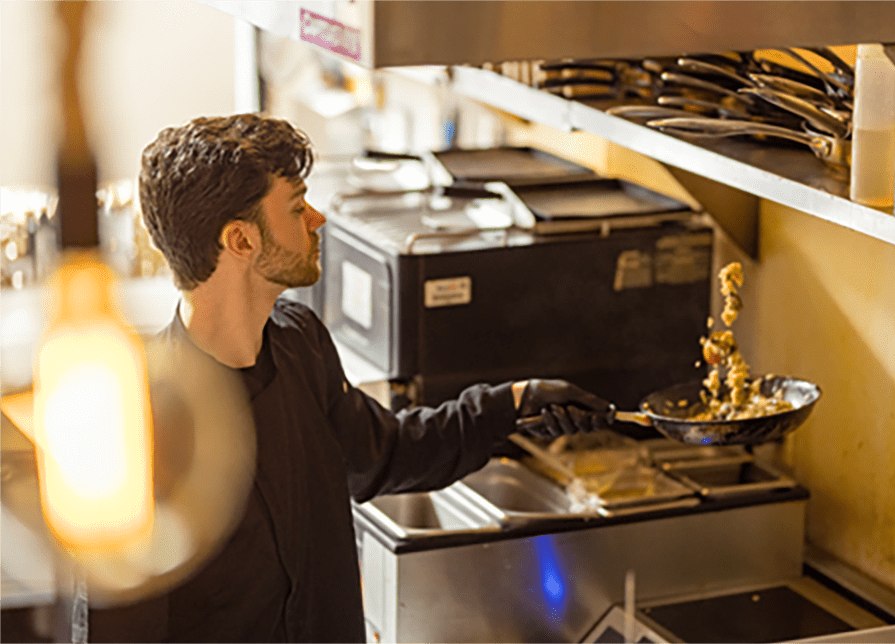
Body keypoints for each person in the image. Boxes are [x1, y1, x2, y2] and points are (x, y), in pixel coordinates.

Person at [89, 113, 612, 643]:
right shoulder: (140, 429)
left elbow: (380, 453)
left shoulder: (301, 343)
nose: (316, 219)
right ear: (241, 240)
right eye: (296, 208)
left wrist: (512, 404)